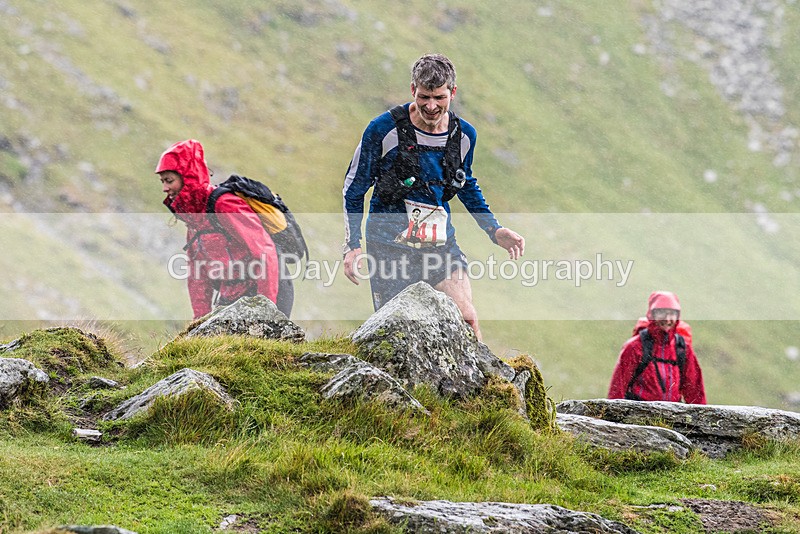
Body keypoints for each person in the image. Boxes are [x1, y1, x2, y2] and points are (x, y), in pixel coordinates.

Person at [342, 53, 525, 340]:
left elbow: (465, 184)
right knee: (396, 335)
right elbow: (354, 189)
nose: (431, 105)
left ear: (452, 93)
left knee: (465, 318)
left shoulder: (464, 136)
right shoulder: (383, 130)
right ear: (412, 90)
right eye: (424, 96)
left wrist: (494, 229)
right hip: (388, 246)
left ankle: (482, 382)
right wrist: (352, 245)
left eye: (439, 97)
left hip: (439, 244)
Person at [156, 139, 290, 319]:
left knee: (261, 346)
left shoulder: (224, 204)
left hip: (267, 287)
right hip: (230, 293)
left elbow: (264, 251)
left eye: (169, 180)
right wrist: (200, 321)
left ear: (187, 176)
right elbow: (198, 274)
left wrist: (266, 307)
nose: (165, 188)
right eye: (162, 181)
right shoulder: (193, 216)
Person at [608, 290, 707, 404]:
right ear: (651, 314)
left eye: (672, 314)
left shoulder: (683, 349)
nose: (667, 319)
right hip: (638, 416)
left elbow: (695, 391)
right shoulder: (635, 347)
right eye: (662, 313)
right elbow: (618, 388)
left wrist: (701, 419)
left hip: (672, 418)